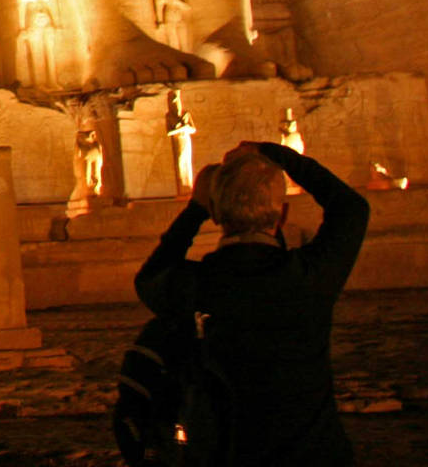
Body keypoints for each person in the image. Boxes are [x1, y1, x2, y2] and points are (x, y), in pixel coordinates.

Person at [135, 140, 370, 464]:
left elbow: (149, 279)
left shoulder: (197, 286)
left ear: (215, 213)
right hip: (313, 453)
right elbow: (351, 207)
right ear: (283, 212)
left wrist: (195, 210)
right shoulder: (308, 279)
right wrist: (276, 154)